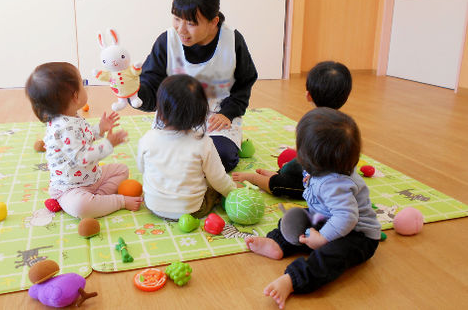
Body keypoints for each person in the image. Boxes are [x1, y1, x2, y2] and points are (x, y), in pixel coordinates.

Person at [245, 107, 380, 309]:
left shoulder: (335, 184)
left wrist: (323, 238)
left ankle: (294, 280)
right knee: (293, 218)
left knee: (332, 255)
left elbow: (347, 217)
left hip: (358, 235)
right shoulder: (320, 167)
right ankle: (277, 243)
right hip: (326, 218)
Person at [134, 0, 258, 172]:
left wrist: (228, 112)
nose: (181, 29)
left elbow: (245, 82)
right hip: (174, 116)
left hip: (216, 116)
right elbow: (151, 87)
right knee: (157, 154)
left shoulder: (232, 40)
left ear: (213, 22)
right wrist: (133, 91)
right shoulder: (166, 41)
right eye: (176, 19)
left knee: (220, 157)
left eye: (191, 23)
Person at [25, 62, 143, 219]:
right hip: (70, 188)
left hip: (92, 176)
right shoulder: (63, 128)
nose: (85, 86)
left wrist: (99, 129)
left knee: (122, 170)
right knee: (81, 207)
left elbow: (83, 138)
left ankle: (98, 200)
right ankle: (116, 202)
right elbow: (83, 157)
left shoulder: (71, 116)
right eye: (82, 83)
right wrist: (108, 144)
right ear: (75, 96)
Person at [232, 61, 352, 199]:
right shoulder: (347, 125)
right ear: (346, 96)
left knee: (284, 184)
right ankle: (277, 174)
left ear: (308, 95)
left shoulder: (309, 122)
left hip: (318, 180)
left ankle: (256, 178)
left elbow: (306, 158)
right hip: (326, 173)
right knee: (293, 166)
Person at [137, 74, 238, 220]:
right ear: (200, 113)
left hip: (154, 206)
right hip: (192, 209)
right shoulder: (203, 142)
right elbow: (218, 178)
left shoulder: (148, 138)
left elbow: (142, 168)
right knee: (213, 188)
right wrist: (232, 191)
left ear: (161, 110)